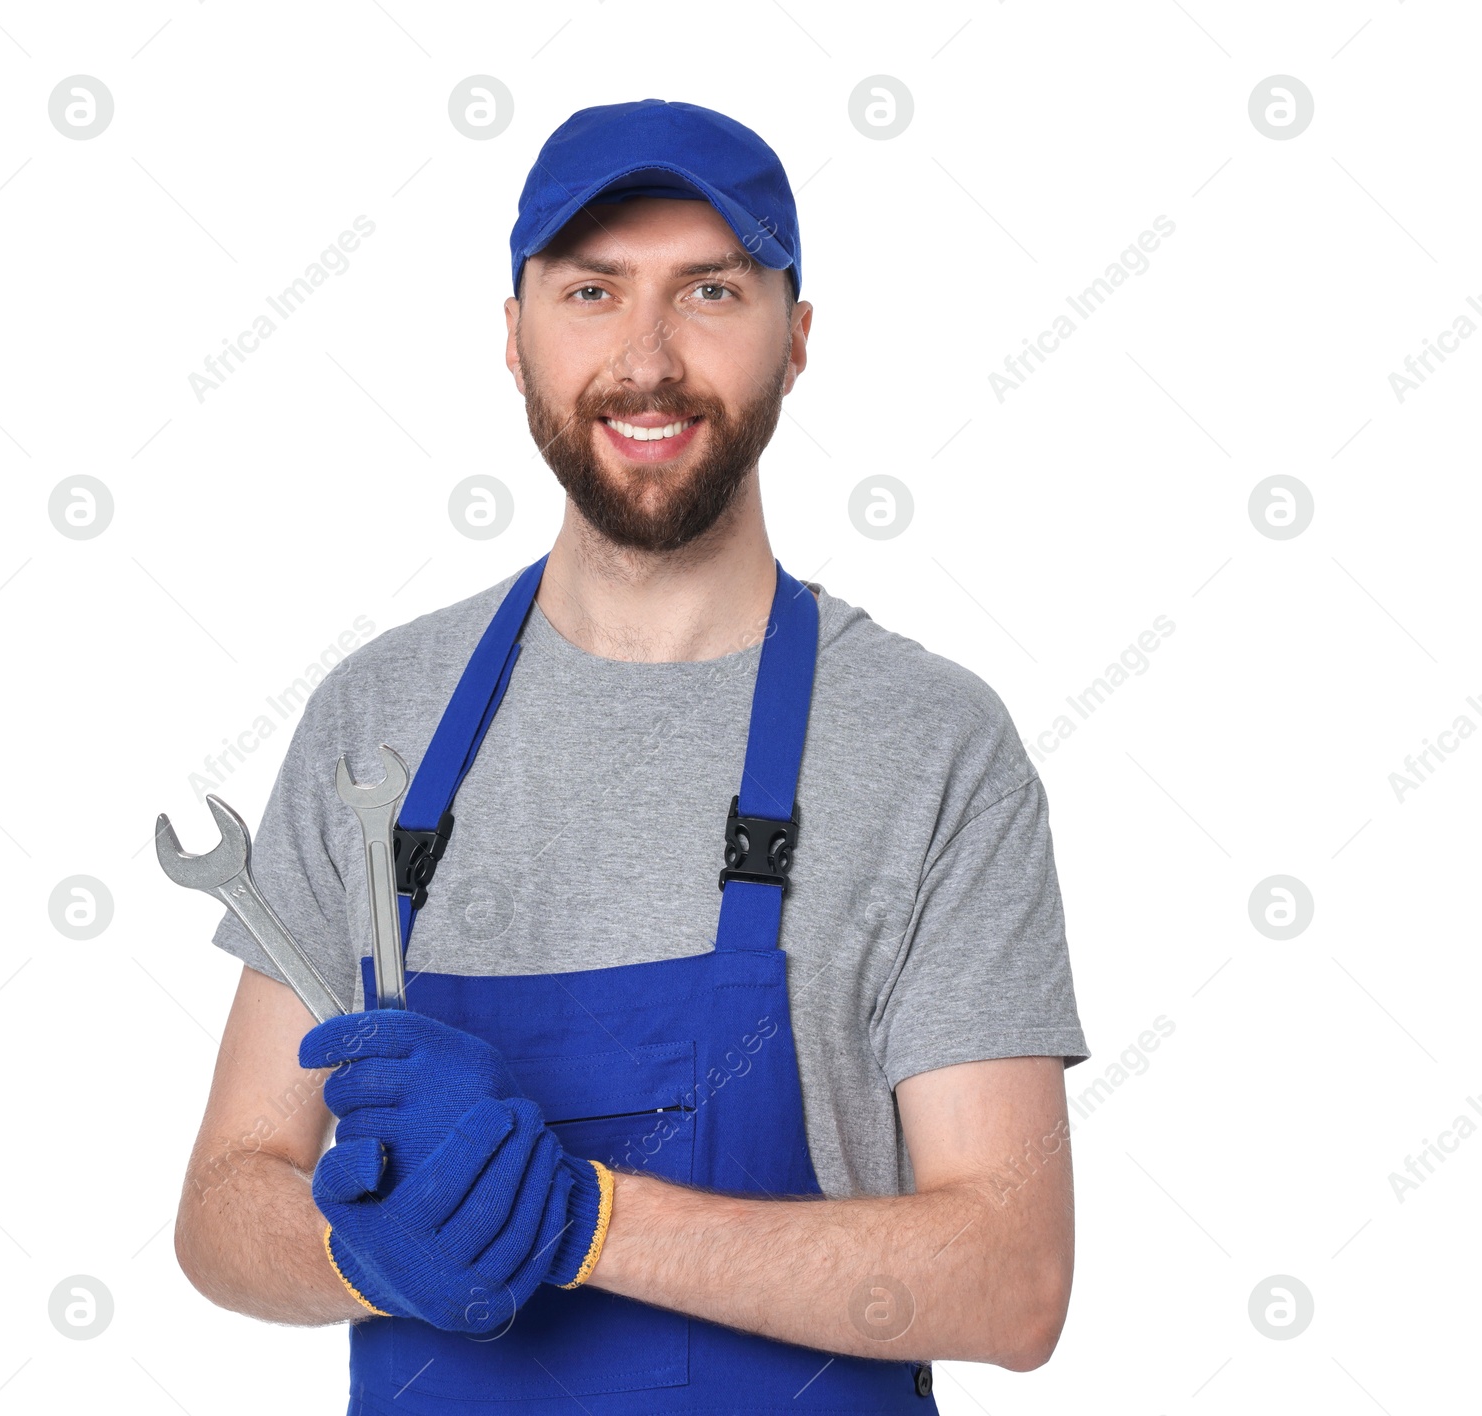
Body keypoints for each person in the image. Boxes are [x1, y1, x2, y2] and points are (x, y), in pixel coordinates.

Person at [174, 98, 1091, 1415]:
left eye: (709, 290)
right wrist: (361, 1252)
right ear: (513, 336)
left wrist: (586, 1224)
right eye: (592, 291)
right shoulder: (378, 721)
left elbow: (1012, 1282)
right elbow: (224, 1205)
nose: (647, 358)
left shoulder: (931, 745)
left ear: (798, 338)